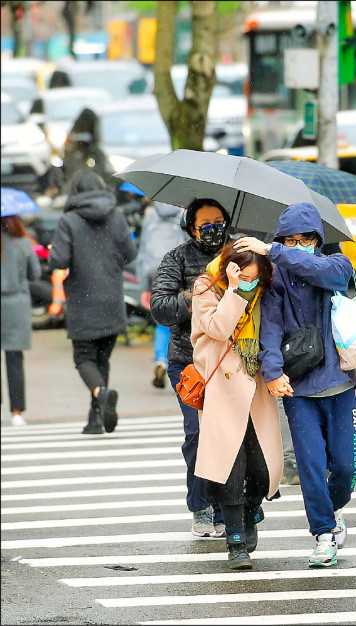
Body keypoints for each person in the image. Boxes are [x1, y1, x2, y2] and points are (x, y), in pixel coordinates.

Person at [257, 202, 356, 568]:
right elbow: (268, 328)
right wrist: (272, 371)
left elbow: (319, 271)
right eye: (288, 239)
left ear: (317, 239)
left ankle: (333, 509)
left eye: (302, 239)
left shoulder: (336, 265)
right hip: (299, 389)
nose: (295, 245)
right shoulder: (276, 277)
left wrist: (275, 251)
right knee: (311, 465)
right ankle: (322, 533)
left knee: (347, 466)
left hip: (340, 383)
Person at [151, 197, 241, 538]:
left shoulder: (240, 254)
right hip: (189, 364)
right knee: (198, 433)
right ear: (191, 228)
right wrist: (200, 298)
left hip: (231, 363)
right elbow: (159, 307)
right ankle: (201, 505)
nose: (214, 230)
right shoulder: (176, 259)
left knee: (231, 436)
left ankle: (229, 506)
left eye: (219, 222)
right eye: (205, 225)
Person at [191, 241, 283, 570]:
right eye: (243, 276)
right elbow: (218, 328)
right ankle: (235, 541)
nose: (249, 283)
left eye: (254, 279)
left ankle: (251, 508)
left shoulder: (267, 291)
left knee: (261, 466)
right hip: (222, 387)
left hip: (256, 384)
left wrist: (271, 251)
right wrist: (233, 290)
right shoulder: (206, 286)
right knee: (230, 465)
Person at [48, 169, 137, 435]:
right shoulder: (117, 216)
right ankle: (95, 417)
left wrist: (54, 253)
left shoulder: (69, 221)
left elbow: (59, 261)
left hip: (83, 299)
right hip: (112, 297)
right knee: (102, 359)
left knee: (84, 358)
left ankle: (100, 394)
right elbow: (130, 253)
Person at [134, 201, 188, 389]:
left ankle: (161, 359)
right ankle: (182, 369)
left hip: (153, 271)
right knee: (180, 319)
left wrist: (144, 285)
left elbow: (142, 250)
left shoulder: (150, 213)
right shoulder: (183, 213)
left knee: (162, 319)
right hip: (177, 269)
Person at [1, 214, 42, 426]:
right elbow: (35, 273)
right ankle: (16, 412)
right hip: (16, 305)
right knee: (14, 360)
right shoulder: (23, 242)